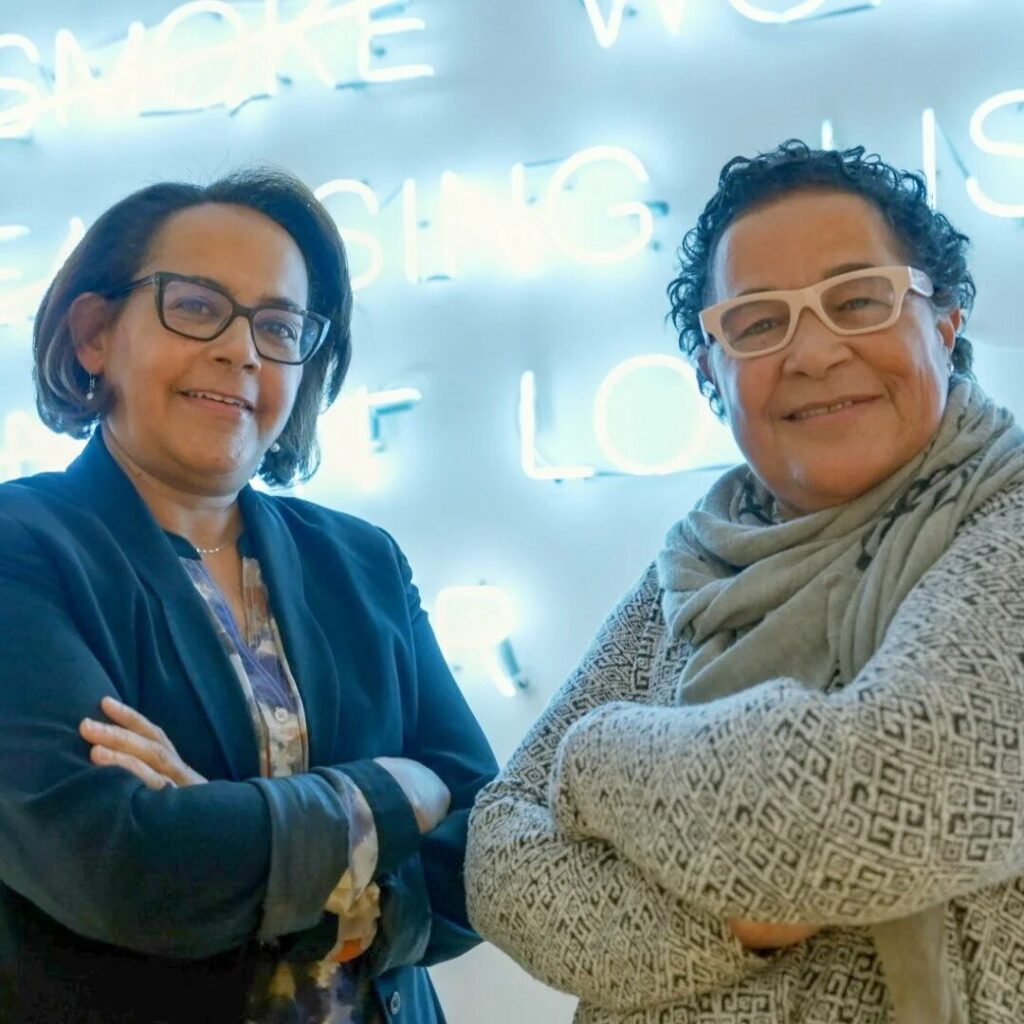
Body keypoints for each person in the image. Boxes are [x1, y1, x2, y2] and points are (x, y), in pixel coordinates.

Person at [465, 140, 1024, 1023]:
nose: (814, 352)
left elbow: (880, 802)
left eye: (858, 300)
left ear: (945, 326)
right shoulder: (695, 566)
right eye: (759, 323)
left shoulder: (1007, 520)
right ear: (710, 376)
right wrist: (731, 923)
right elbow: (499, 855)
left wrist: (596, 754)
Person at [0, 168, 497, 1024]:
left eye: (278, 326)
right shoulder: (23, 549)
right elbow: (121, 867)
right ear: (93, 335)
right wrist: (393, 791)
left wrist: (245, 845)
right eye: (196, 306)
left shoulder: (362, 562)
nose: (243, 350)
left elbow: (490, 841)